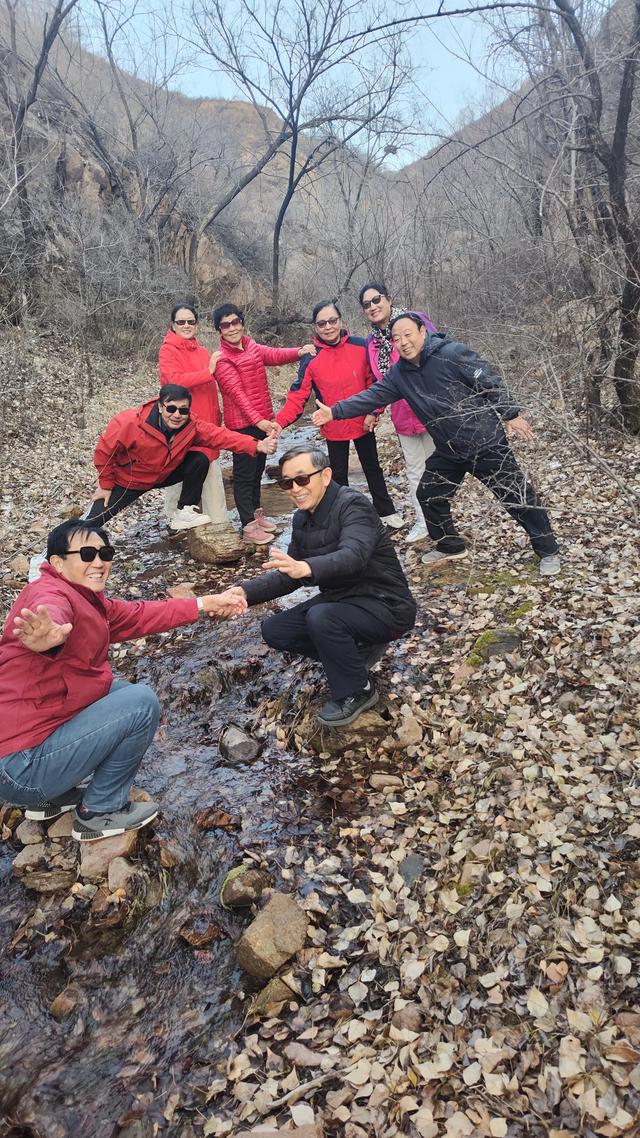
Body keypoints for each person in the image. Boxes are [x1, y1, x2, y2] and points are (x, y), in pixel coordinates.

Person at [0, 519, 247, 841]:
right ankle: (98, 811)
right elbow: (52, 612)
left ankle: (53, 798)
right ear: (57, 563)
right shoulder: (51, 595)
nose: (99, 562)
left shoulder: (86, 599)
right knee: (141, 703)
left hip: (20, 760)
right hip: (22, 768)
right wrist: (50, 637)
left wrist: (205, 603)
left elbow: (140, 614)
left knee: (116, 691)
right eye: (87, 553)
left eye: (105, 552)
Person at [312, 313, 561, 576]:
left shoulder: (451, 353)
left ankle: (548, 550)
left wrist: (510, 413)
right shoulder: (400, 374)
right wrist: (335, 411)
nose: (403, 342)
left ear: (422, 331)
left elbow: (487, 379)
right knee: (429, 495)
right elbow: (372, 396)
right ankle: (449, 545)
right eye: (397, 339)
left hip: (484, 443)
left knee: (516, 497)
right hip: (448, 448)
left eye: (408, 335)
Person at [232, 446, 416, 728]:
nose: (295, 488)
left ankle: (359, 691)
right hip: (343, 601)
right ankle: (354, 659)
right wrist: (244, 592)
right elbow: (288, 575)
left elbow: (353, 555)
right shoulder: (301, 518)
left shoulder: (353, 505)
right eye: (286, 483)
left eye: (302, 479)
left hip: (386, 605)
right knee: (275, 629)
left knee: (321, 618)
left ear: (326, 475)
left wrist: (308, 567)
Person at [274, 299, 403, 529]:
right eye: (322, 323)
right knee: (338, 474)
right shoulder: (310, 357)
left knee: (372, 467)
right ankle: (344, 517)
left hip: (363, 419)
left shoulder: (360, 345)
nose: (328, 327)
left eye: (332, 321)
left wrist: (374, 411)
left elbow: (373, 380)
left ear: (340, 321)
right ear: (315, 327)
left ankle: (386, 511)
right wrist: (279, 424)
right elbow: (297, 395)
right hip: (332, 425)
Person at [88, 384, 277, 532]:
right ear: (160, 406)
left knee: (201, 458)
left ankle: (184, 511)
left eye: (183, 410)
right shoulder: (130, 422)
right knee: (92, 521)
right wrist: (106, 485)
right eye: (171, 408)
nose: (177, 415)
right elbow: (104, 452)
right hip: (131, 480)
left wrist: (257, 445)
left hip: (163, 475)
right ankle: (60, 551)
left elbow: (221, 436)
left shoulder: (191, 425)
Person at [212, 302, 315, 544]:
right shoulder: (223, 359)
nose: (232, 328)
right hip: (242, 425)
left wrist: (299, 351)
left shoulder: (251, 346)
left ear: (241, 323)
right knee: (244, 475)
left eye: (235, 322)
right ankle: (248, 526)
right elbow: (237, 395)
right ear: (220, 330)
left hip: (262, 420)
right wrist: (259, 422)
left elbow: (274, 355)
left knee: (258, 471)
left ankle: (257, 515)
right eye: (226, 325)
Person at [359, 282, 437, 542]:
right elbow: (383, 384)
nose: (373, 306)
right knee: (416, 470)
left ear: (388, 299)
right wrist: (374, 410)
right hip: (404, 416)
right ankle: (424, 521)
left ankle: (442, 518)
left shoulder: (413, 320)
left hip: (432, 408)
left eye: (376, 299)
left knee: (441, 467)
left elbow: (438, 354)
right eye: (367, 304)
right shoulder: (372, 342)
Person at [158, 302, 228, 527]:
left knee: (212, 476)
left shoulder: (203, 351)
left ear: (197, 324)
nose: (187, 325)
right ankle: (173, 523)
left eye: (191, 321)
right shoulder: (168, 350)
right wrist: (207, 372)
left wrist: (217, 417)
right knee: (179, 474)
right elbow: (173, 381)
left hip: (207, 425)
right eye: (181, 322)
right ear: (173, 325)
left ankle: (218, 524)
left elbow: (209, 389)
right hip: (181, 425)